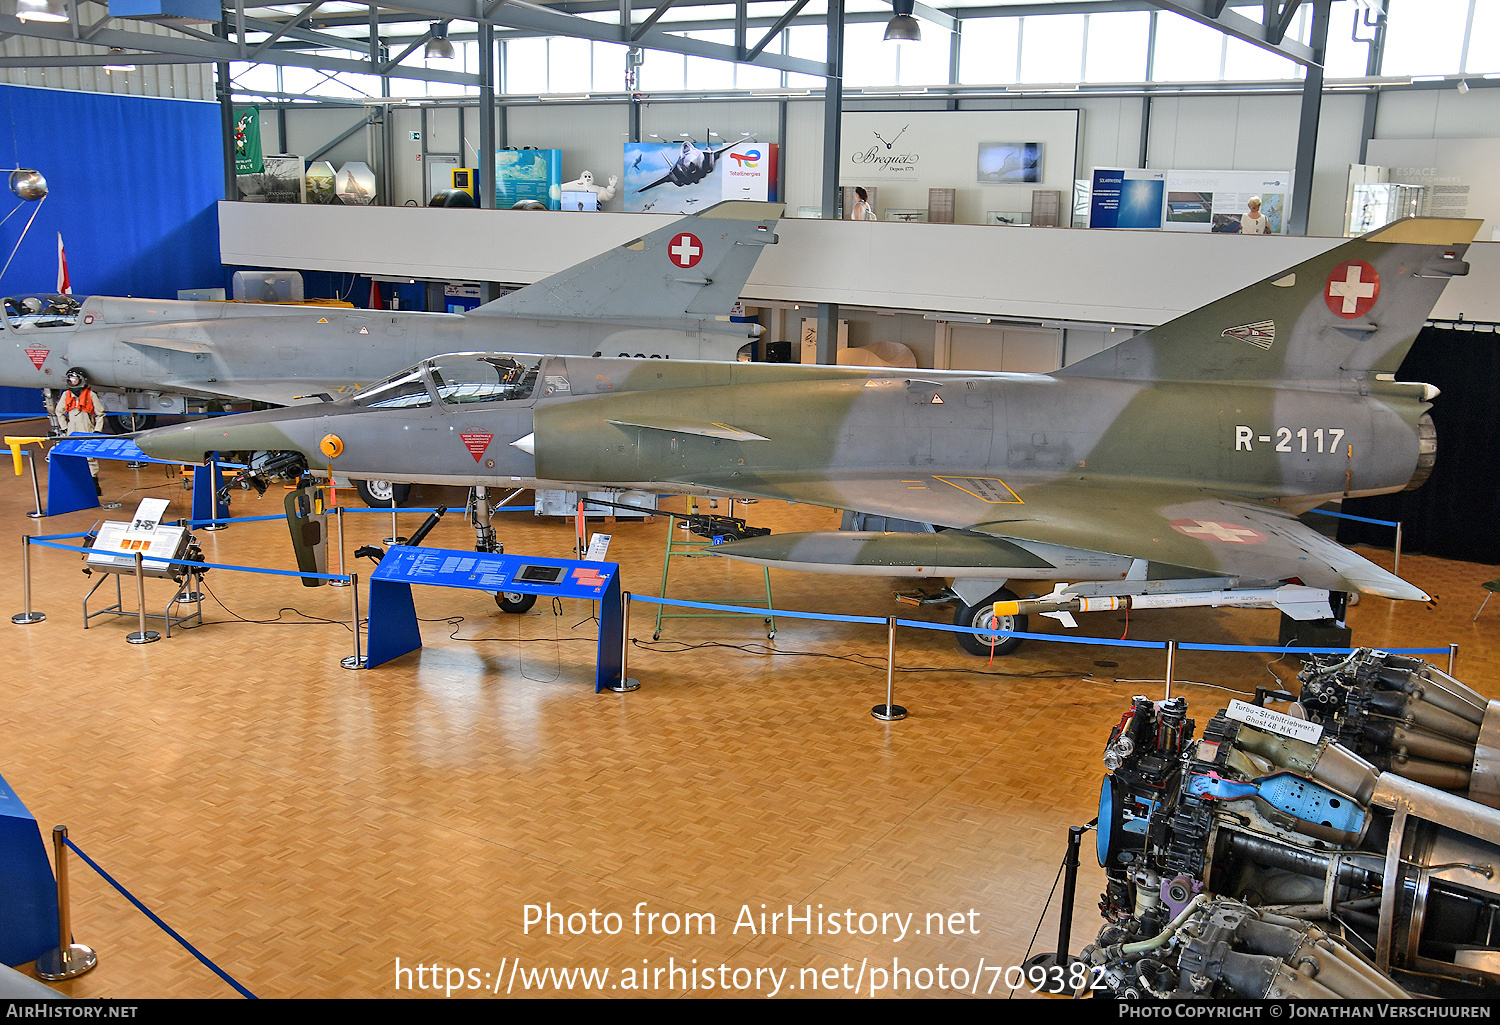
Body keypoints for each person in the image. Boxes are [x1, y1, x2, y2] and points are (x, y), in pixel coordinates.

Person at [56, 367, 107, 494]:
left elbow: (100, 414)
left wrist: (97, 431)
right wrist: (64, 428)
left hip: (87, 428)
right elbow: (59, 412)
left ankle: (94, 485)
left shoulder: (91, 395)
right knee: (73, 456)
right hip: (72, 430)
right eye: (70, 379)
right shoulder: (66, 395)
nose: (72, 381)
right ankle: (76, 485)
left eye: (75, 379)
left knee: (90, 458)